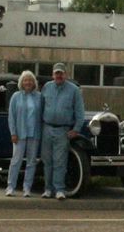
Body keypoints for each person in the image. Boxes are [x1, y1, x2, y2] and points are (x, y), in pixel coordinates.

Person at [40, 62, 85, 200]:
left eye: (61, 73)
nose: (59, 75)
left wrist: (76, 129)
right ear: (53, 74)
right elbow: (41, 107)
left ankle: (59, 189)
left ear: (65, 74)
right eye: (56, 73)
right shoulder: (46, 87)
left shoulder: (74, 90)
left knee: (60, 161)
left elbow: (79, 111)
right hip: (47, 128)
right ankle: (48, 189)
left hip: (63, 130)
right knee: (47, 160)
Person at [5, 70, 42, 198]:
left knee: (31, 162)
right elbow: (11, 117)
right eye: (25, 80)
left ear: (34, 83)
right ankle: (10, 187)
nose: (28, 82)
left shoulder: (39, 97)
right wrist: (13, 133)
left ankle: (27, 188)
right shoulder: (16, 96)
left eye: (30, 80)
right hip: (20, 134)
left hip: (34, 134)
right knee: (16, 160)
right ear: (21, 82)